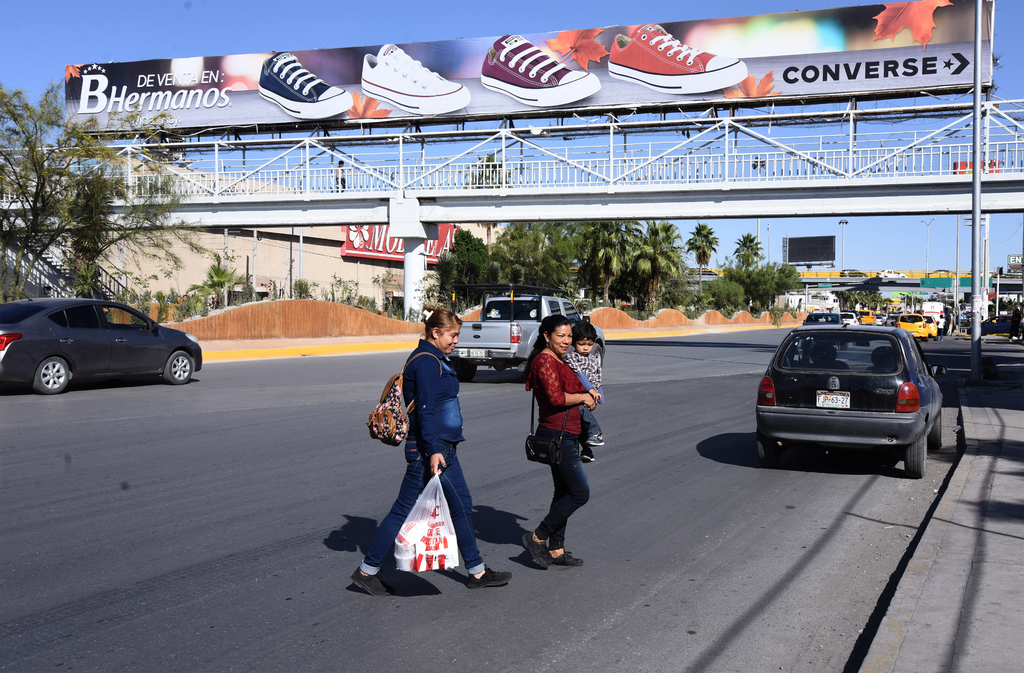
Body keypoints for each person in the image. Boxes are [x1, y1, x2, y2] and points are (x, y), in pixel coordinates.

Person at [351, 306, 511, 595]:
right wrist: (434, 450)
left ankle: (476, 570)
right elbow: (424, 411)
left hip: (439, 448)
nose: (456, 341)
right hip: (431, 450)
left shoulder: (434, 358)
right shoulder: (426, 362)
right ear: (435, 333)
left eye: (457, 335)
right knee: (410, 510)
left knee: (460, 505)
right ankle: (367, 570)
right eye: (452, 335)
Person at [521, 315, 598, 569]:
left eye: (569, 336)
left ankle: (556, 549)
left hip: (568, 433)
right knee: (579, 493)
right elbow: (555, 398)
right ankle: (537, 537)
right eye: (560, 336)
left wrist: (589, 396)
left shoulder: (560, 358)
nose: (567, 341)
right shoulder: (545, 360)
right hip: (557, 435)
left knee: (564, 491)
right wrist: (582, 398)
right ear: (546, 336)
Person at [563, 320, 604, 463]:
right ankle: (588, 447)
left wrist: (598, 396)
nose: (586, 348)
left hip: (590, 396)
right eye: (582, 344)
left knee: (580, 416)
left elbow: (598, 377)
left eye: (590, 345)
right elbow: (580, 374)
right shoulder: (571, 357)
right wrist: (590, 390)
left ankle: (594, 435)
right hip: (579, 394)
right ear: (573, 343)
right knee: (577, 423)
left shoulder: (593, 360)